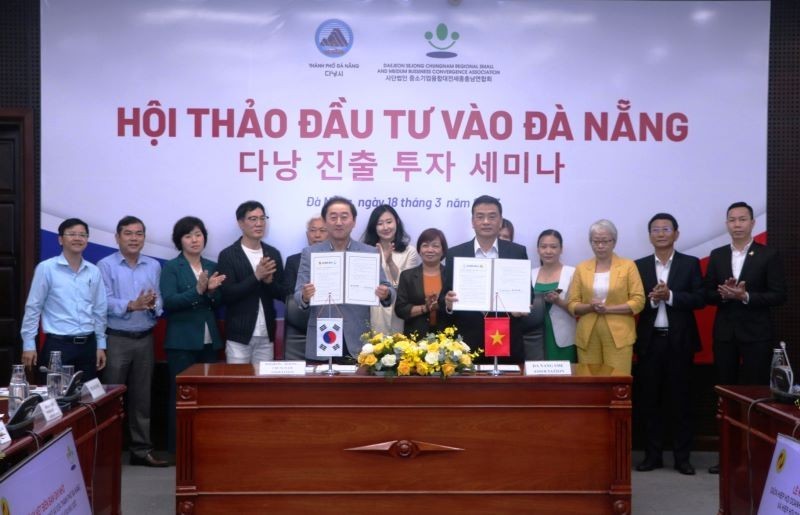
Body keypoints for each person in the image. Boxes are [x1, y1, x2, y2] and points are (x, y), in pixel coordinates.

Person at [704, 202, 786, 475]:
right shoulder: (716, 255)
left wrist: (746, 296)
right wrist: (724, 294)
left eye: (742, 219)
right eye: (732, 220)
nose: (737, 224)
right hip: (725, 334)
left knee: (755, 394)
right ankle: (727, 455)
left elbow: (778, 295)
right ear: (726, 224)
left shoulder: (767, 254)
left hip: (756, 335)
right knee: (725, 394)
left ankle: (755, 454)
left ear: (752, 223)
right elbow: (706, 294)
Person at [634, 213, 705, 476]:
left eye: (666, 229)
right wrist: (654, 299)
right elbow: (634, 301)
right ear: (649, 235)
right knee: (650, 400)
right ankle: (652, 456)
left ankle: (682, 458)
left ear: (676, 233)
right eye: (655, 229)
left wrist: (671, 295)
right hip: (650, 343)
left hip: (680, 342)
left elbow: (700, 299)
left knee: (681, 400)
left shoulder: (690, 264)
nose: (661, 233)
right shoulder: (638, 266)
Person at [98, 215, 167, 467]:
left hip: (144, 338)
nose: (134, 238)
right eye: (128, 233)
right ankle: (107, 452)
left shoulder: (154, 265)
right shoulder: (105, 265)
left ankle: (141, 450)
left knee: (142, 398)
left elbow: (159, 299)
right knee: (111, 398)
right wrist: (131, 304)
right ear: (117, 237)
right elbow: (102, 302)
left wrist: (152, 306)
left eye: (139, 234)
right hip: (116, 339)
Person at [295, 196, 395, 359]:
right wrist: (305, 296)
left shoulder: (368, 252)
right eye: (333, 217)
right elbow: (298, 295)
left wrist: (386, 293)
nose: (339, 222)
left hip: (358, 341)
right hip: (322, 337)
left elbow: (389, 292)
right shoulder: (311, 253)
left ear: (354, 221)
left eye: (344, 217)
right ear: (325, 222)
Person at [160, 216, 225, 453]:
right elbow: (170, 302)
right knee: (180, 397)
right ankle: (179, 451)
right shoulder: (171, 267)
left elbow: (217, 303)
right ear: (180, 241)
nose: (194, 240)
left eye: (198, 235)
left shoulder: (210, 265)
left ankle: (205, 447)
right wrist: (198, 290)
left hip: (208, 340)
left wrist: (212, 292)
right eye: (188, 236)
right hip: (181, 342)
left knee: (209, 397)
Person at [443, 195, 529, 361]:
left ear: (500, 221)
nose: (486, 222)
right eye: (480, 216)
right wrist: (448, 303)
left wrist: (523, 305)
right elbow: (444, 296)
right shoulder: (456, 254)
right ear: (472, 221)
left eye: (492, 216)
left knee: (509, 386)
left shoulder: (517, 252)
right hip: (468, 341)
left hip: (507, 338)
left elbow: (528, 294)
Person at [21, 218, 107, 381]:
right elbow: (34, 307)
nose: (78, 238)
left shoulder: (93, 271)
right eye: (72, 234)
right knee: (56, 399)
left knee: (87, 399)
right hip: (58, 346)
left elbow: (99, 310)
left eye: (82, 235)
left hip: (88, 345)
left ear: (87, 240)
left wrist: (101, 345)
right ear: (60, 239)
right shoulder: (46, 268)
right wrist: (29, 344)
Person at [567, 219, 645, 374]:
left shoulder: (628, 266)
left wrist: (608, 309)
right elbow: (572, 304)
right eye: (596, 241)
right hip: (588, 333)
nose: (600, 246)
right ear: (590, 242)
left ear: (614, 242)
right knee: (589, 382)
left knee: (618, 380)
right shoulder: (582, 268)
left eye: (605, 241)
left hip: (619, 333)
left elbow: (638, 301)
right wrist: (590, 307)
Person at [217, 201, 285, 364]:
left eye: (262, 218)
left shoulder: (272, 253)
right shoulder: (228, 255)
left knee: (263, 388)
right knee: (237, 387)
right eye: (253, 219)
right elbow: (227, 295)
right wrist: (256, 277)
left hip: (266, 335)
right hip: (239, 336)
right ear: (241, 223)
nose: (259, 224)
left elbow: (282, 293)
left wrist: (269, 282)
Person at [362, 205, 420, 335]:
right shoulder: (366, 250)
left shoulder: (409, 251)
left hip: (398, 310)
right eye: (380, 223)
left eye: (389, 222)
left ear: (397, 222)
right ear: (374, 227)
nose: (385, 227)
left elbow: (407, 285)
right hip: (373, 309)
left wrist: (389, 262)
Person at [283, 216, 327, 360]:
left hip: (330, 321)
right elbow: (289, 293)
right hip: (302, 317)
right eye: (313, 230)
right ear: (307, 234)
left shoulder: (338, 259)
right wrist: (305, 296)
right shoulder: (293, 260)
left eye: (322, 230)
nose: (317, 235)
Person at [531, 229, 577, 362]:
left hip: (563, 337)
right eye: (543, 246)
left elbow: (578, 309)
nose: (548, 251)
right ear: (538, 249)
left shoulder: (572, 273)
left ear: (561, 249)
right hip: (534, 337)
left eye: (553, 247)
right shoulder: (530, 274)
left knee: (563, 380)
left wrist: (559, 302)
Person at [395, 228, 449, 337]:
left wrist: (443, 304)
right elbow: (400, 310)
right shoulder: (407, 276)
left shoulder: (451, 275)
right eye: (425, 245)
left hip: (447, 339)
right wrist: (426, 308)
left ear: (443, 250)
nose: (430, 250)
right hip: (415, 340)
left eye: (435, 246)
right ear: (419, 249)